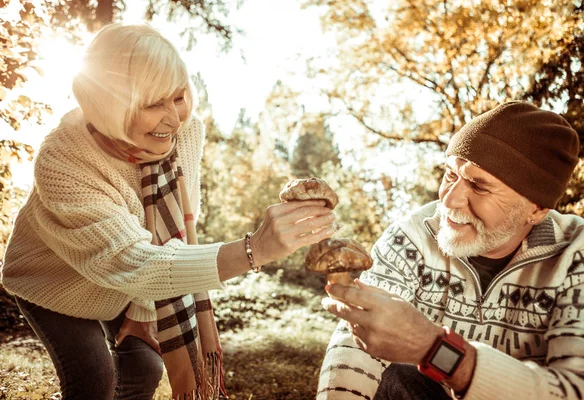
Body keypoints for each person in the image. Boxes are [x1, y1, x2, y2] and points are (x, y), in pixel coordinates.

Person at [0, 24, 337, 400]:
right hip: (53, 280)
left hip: (126, 273)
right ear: (111, 106)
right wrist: (253, 249)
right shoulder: (64, 164)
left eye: (178, 97)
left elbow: (169, 229)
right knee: (94, 377)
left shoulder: (184, 132)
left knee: (144, 367)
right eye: (153, 104)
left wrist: (143, 312)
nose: (175, 119)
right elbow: (132, 261)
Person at [318, 102, 584, 399]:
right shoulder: (411, 236)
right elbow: (358, 338)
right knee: (398, 376)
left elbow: (583, 389)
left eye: (479, 187)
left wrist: (435, 349)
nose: (450, 201)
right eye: (451, 175)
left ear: (537, 209)